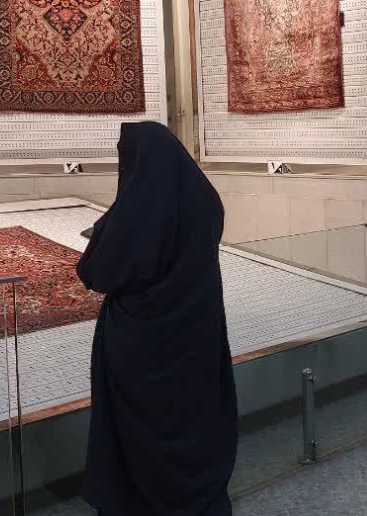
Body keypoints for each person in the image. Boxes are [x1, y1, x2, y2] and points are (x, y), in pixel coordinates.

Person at [77, 121, 238, 515]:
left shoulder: (137, 213)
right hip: (197, 331)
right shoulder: (204, 198)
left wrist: (103, 231)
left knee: (140, 432)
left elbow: (97, 273)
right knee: (193, 415)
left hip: (141, 343)